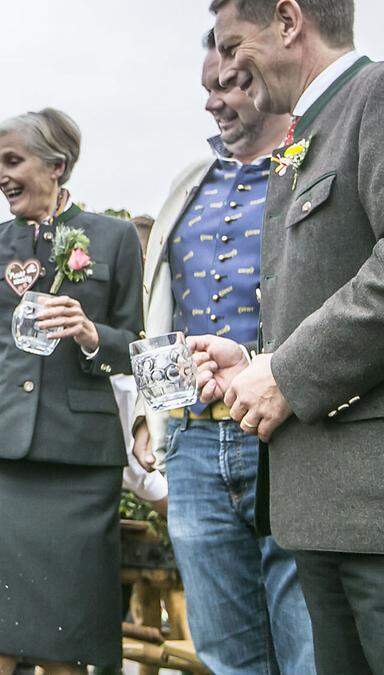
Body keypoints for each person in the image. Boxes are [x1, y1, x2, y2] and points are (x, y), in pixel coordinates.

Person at [196, 0, 384, 671]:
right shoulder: (306, 133)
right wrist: (255, 363)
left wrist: (287, 373)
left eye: (231, 43)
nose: (225, 66)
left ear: (287, 19)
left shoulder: (376, 96)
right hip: (321, 508)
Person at [131, 28, 315, 674]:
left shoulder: (313, 163)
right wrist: (150, 418)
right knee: (225, 656)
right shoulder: (187, 182)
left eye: (233, 84)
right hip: (194, 445)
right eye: (210, 87)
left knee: (308, 648)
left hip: (288, 433)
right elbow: (158, 308)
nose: (217, 101)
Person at [0, 108, 143, 674]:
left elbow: (137, 348)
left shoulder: (116, 238)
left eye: (11, 161)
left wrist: (91, 332)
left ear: (56, 165)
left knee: (66, 644)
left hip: (79, 459)